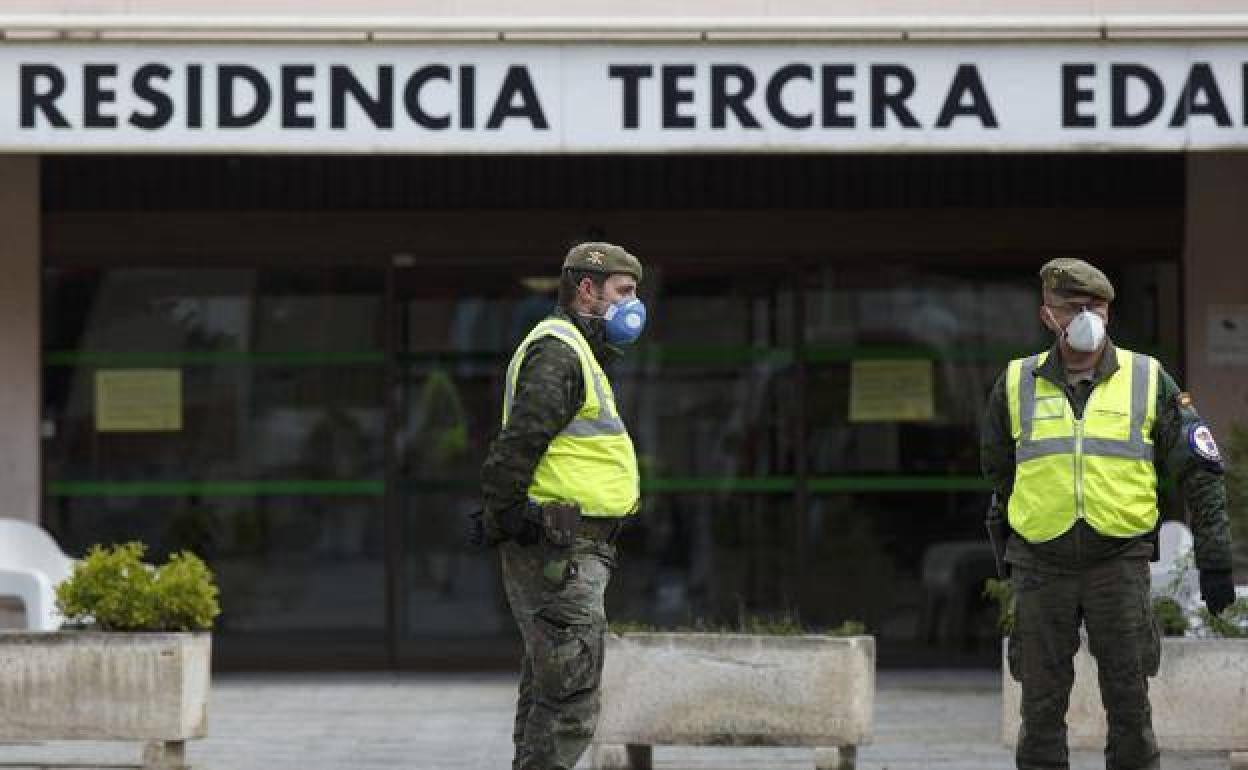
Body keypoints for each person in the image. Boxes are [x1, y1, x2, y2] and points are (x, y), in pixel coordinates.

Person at [980, 258, 1236, 770]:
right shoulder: (1015, 382)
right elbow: (999, 471)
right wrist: (1025, 532)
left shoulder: (1148, 378)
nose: (1085, 318)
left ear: (1109, 312)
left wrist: (1215, 559)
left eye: (1095, 307)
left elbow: (1200, 470)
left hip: (1117, 564)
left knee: (1130, 706)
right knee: (1040, 712)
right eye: (1072, 308)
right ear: (1047, 316)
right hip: (1041, 565)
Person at [473, 242, 646, 770]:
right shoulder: (559, 352)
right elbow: (518, 442)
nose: (634, 305)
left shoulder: (577, 352)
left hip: (569, 549)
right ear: (587, 289)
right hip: (558, 549)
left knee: (550, 692)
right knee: (570, 699)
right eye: (624, 291)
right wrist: (508, 517)